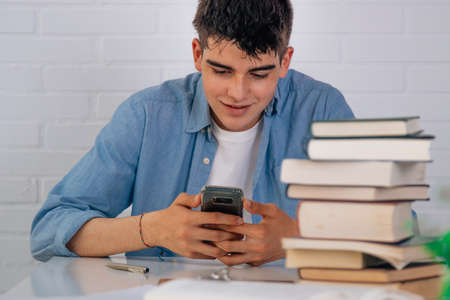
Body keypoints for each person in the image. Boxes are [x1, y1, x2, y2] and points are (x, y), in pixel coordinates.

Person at [30, 0, 354, 266]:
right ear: (198, 54)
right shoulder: (147, 113)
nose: (237, 93)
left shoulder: (322, 109)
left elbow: (402, 227)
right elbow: (49, 229)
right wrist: (150, 230)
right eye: (221, 70)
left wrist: (297, 238)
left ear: (285, 61)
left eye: (258, 73)